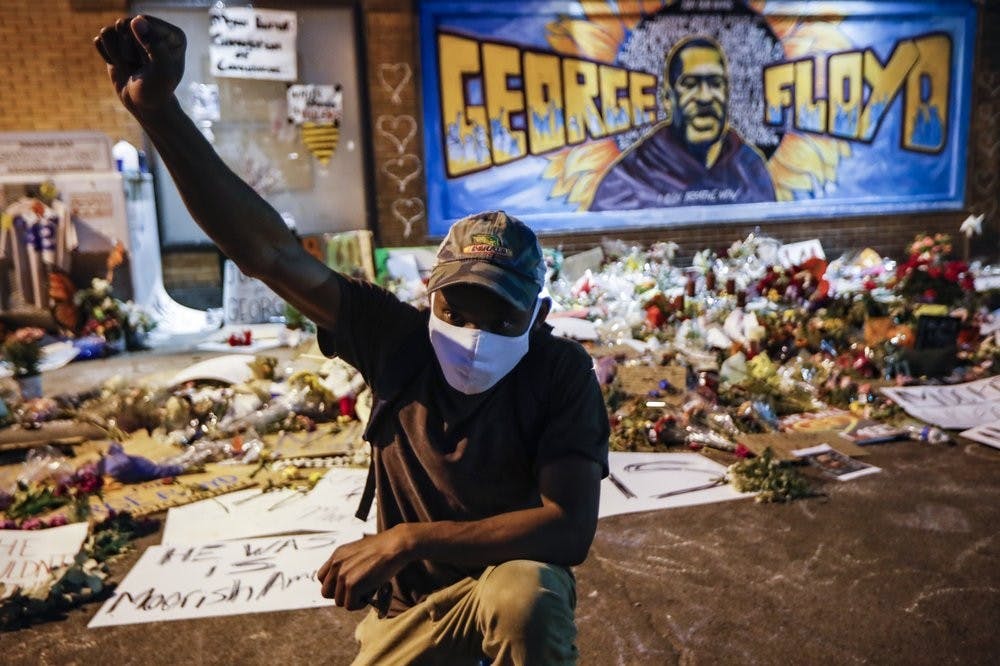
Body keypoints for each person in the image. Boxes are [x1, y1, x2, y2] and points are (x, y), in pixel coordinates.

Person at [95, 15, 610, 665]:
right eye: (456, 308)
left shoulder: (560, 372)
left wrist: (411, 539)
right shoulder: (397, 340)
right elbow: (268, 251)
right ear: (430, 296)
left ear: (537, 317)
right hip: (408, 611)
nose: (472, 336)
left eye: (499, 318)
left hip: (502, 579)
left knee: (526, 596)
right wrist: (161, 112)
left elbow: (568, 528)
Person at [590, 36, 775, 211]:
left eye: (715, 83)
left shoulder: (749, 167)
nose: (705, 97)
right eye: (690, 84)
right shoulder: (629, 177)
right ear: (668, 99)